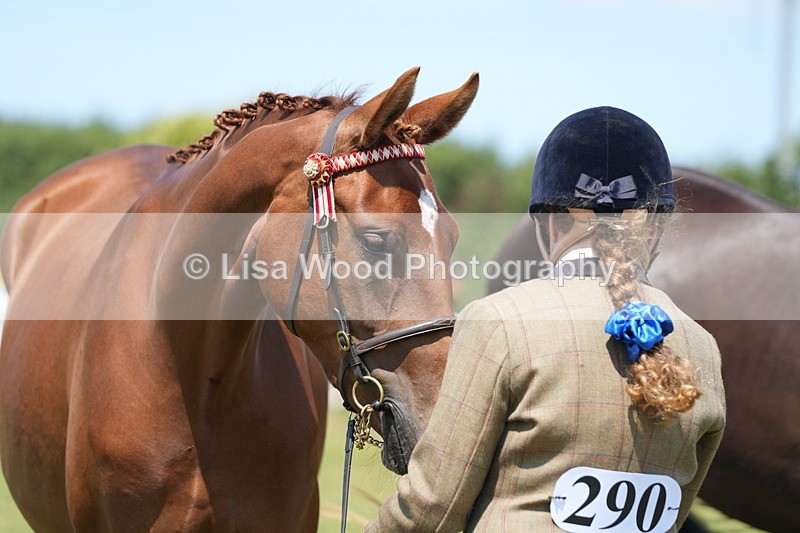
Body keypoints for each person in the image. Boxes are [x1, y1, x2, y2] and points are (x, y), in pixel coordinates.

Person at [365, 107, 726, 532]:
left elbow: (431, 506)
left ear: (549, 225)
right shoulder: (700, 347)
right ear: (654, 230)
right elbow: (676, 512)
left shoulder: (498, 321)